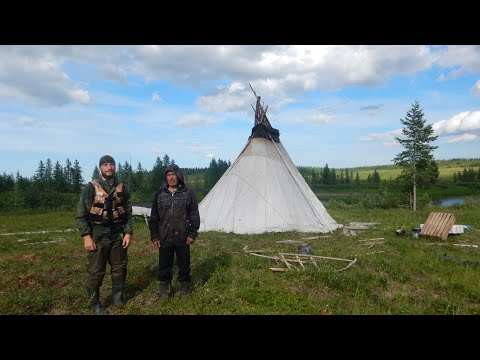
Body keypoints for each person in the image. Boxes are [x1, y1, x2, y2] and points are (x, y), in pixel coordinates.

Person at [75, 155, 133, 315]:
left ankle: (117, 297)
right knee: (96, 272)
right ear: (101, 168)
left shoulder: (123, 188)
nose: (109, 167)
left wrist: (128, 233)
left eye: (112, 164)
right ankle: (94, 304)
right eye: (106, 165)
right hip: (98, 236)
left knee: (120, 268)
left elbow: (128, 213)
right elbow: (81, 215)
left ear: (115, 167)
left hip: (116, 236)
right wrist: (86, 236)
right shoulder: (91, 187)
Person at [149, 163, 200, 298]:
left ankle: (184, 289)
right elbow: (154, 217)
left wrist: (192, 233)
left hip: (183, 236)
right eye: (168, 175)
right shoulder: (159, 195)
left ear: (179, 176)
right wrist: (154, 236)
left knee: (184, 264)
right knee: (164, 265)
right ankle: (164, 290)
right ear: (166, 178)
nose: (171, 178)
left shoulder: (188, 193)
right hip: (164, 236)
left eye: (174, 175)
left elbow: (194, 215)